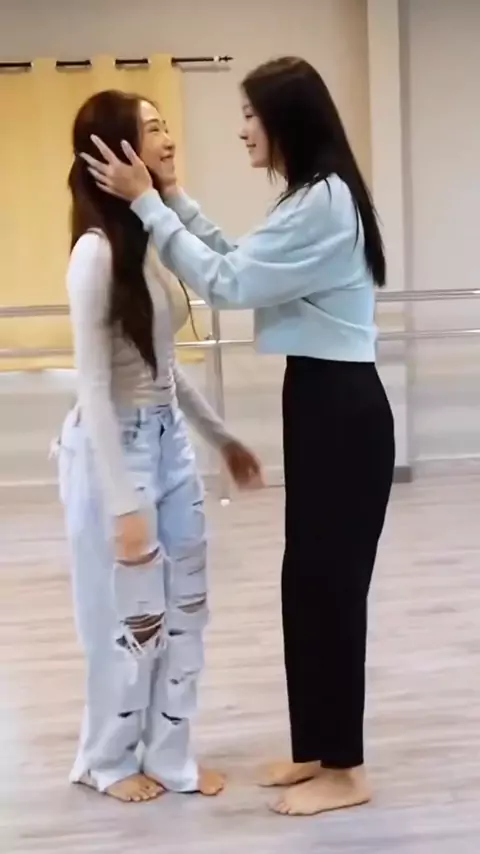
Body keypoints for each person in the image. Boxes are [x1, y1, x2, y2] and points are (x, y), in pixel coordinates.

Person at [83, 56, 396, 817]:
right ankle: (317, 745)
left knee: (332, 588)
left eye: (251, 115)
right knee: (305, 583)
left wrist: (150, 204)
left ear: (287, 118)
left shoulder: (325, 200)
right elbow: (234, 256)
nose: (243, 129)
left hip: (342, 407)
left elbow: (227, 284)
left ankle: (347, 770)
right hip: (317, 398)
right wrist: (170, 197)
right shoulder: (309, 197)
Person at [58, 89, 262, 804]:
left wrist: (220, 438)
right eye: (151, 129)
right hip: (114, 451)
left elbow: (162, 371)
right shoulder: (94, 254)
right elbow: (93, 385)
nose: (168, 139)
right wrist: (122, 503)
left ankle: (171, 756)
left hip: (169, 444)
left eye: (166, 125)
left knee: (186, 611)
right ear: (113, 150)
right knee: (128, 620)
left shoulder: (150, 240)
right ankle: (108, 762)